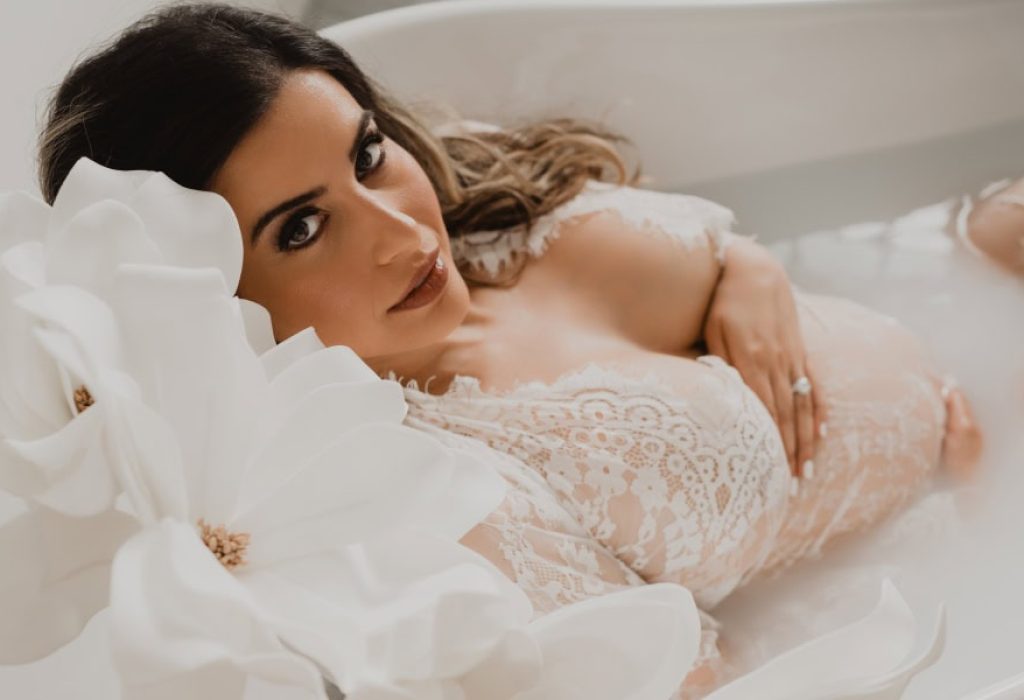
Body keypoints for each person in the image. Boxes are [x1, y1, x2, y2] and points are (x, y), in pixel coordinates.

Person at [37, 4, 1008, 697]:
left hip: (954, 267)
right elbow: (709, 679)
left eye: (367, 150)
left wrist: (743, 267)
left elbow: (704, 240)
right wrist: (959, 514)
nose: (399, 230)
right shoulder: (438, 501)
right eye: (300, 229)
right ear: (217, 304)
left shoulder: (468, 222)